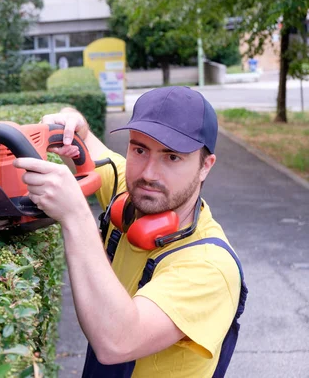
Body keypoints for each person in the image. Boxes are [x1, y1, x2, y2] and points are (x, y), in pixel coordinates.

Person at [13, 86, 247, 378]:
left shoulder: (210, 267)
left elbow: (117, 342)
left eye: (171, 157)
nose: (148, 173)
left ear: (204, 166)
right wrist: (72, 121)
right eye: (139, 149)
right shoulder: (132, 194)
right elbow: (86, 141)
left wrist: (75, 216)